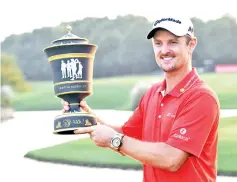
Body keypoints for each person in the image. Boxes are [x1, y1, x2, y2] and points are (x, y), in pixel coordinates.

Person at [62, 16, 220, 182]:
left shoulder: (201, 97)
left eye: (173, 42)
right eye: (158, 43)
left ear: (191, 44)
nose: (164, 50)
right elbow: (128, 135)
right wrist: (87, 118)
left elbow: (171, 158)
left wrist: (113, 140)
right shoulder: (153, 93)